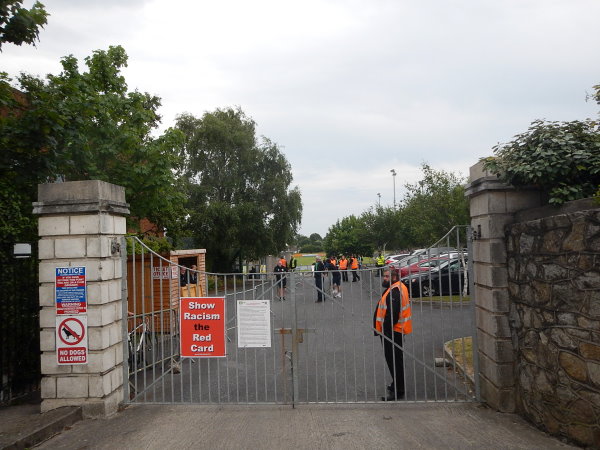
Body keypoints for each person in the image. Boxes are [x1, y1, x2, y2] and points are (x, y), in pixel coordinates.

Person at [373, 268, 412, 401]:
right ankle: (396, 384)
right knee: (395, 360)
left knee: (394, 361)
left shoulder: (395, 291)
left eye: (386, 276)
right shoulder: (399, 287)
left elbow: (392, 315)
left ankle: (398, 391)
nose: (384, 278)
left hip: (393, 332)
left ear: (394, 277)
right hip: (395, 331)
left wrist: (385, 332)